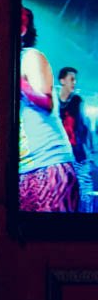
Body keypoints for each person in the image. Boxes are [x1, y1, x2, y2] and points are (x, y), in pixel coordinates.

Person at [19, 11, 79, 213]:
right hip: (24, 171)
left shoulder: (30, 57)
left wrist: (18, 82)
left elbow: (46, 100)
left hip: (49, 165)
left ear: (23, 29)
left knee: (53, 232)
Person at [58, 66, 96, 210]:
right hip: (61, 156)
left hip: (78, 154)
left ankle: (86, 217)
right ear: (62, 80)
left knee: (84, 189)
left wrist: (90, 152)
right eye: (71, 79)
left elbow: (85, 127)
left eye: (75, 80)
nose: (74, 82)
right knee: (62, 190)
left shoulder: (77, 101)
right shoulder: (54, 103)